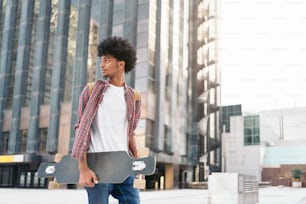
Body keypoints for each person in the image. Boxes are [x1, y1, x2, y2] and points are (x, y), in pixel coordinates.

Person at [71, 36, 141, 204]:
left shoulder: (134, 97)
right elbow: (81, 129)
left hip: (124, 166)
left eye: (107, 60)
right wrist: (83, 168)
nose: (102, 65)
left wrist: (138, 164)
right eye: (101, 61)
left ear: (121, 64)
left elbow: (130, 132)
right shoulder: (91, 90)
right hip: (97, 167)